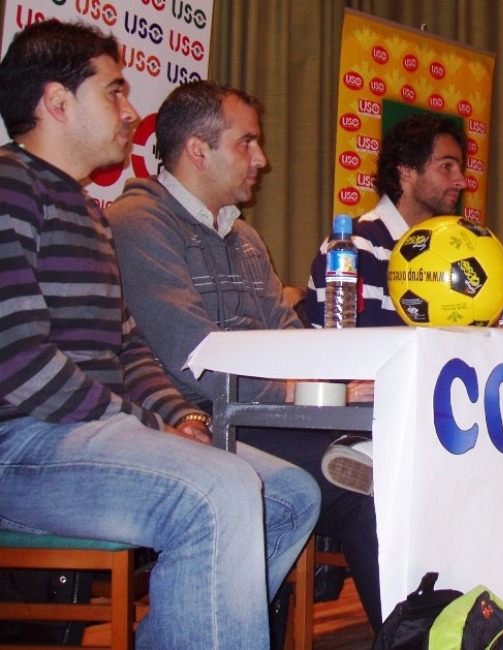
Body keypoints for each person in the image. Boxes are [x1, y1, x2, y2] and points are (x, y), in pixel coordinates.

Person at [0, 20, 318, 649]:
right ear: (56, 103)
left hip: (86, 432)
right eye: (114, 92)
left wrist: (184, 418)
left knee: (287, 493)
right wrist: (142, 421)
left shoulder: (87, 210)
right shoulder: (10, 187)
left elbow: (127, 346)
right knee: (222, 490)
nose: (130, 110)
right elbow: (17, 357)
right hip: (22, 445)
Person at [106, 81, 381, 629]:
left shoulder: (246, 237)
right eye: (247, 142)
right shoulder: (140, 222)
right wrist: (320, 394)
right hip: (199, 420)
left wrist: (342, 382)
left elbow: (282, 333)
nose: (262, 159)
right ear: (197, 150)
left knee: (395, 458)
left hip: (266, 415)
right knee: (365, 488)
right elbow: (196, 356)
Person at [306, 113, 468, 327]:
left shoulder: (447, 251)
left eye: (460, 169)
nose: (461, 181)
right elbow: (359, 351)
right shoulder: (356, 245)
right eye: (447, 166)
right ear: (406, 171)